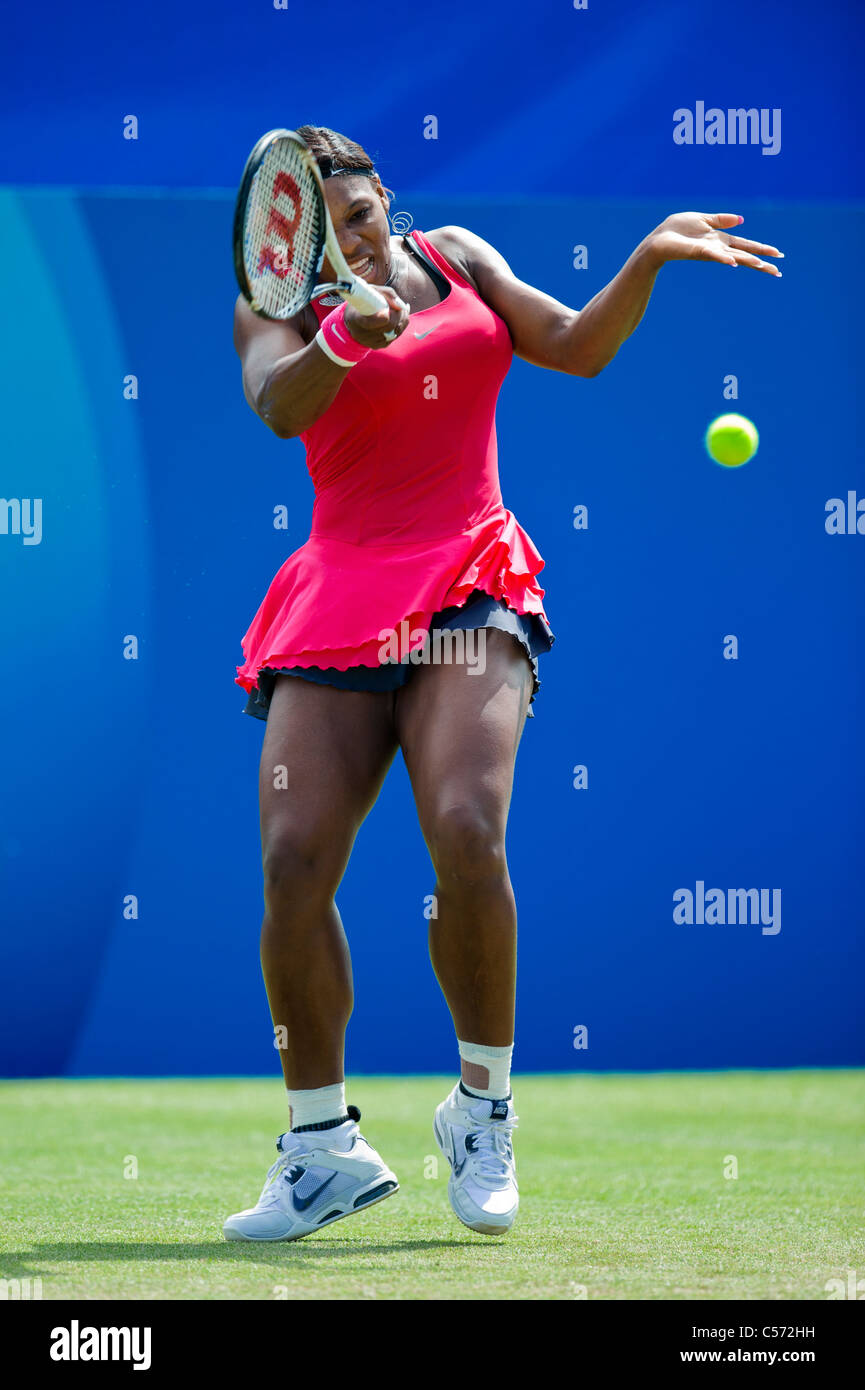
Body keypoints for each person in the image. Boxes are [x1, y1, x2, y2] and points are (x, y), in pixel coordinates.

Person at [224, 125, 784, 1244]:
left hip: (467, 577)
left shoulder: (464, 257)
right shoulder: (274, 307)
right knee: (293, 859)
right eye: (328, 230)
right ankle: (320, 1143)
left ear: (388, 196)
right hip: (338, 596)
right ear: (291, 241)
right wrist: (337, 332)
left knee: (468, 826)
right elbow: (277, 405)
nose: (356, 237)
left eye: (365, 214)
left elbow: (574, 346)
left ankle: (482, 1111)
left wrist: (645, 258)